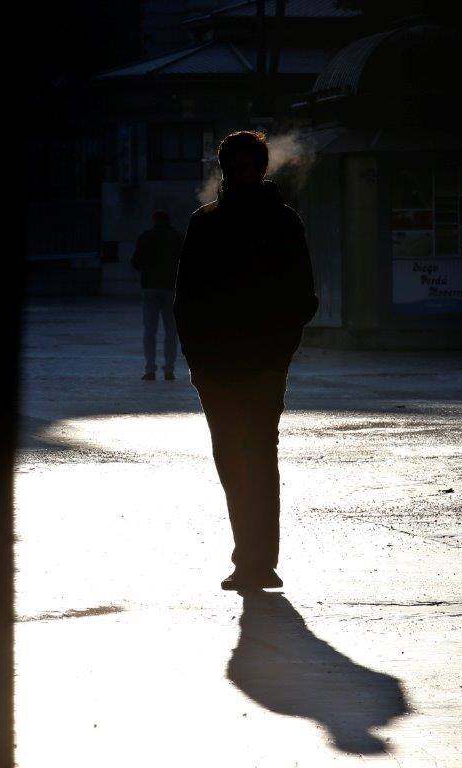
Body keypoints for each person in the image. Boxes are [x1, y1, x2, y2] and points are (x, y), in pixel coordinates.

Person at [174, 131, 318, 591]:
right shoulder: (208, 223)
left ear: (260, 168)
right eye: (233, 166)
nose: (240, 175)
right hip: (219, 367)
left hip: (257, 365)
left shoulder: (279, 223)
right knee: (237, 463)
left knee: (253, 459)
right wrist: (198, 360)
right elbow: (186, 298)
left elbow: (302, 297)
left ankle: (256, 562)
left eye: (247, 166)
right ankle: (250, 560)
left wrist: (278, 356)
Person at [131, 210, 184, 380]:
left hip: (150, 287)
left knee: (150, 330)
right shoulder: (178, 237)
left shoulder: (146, 237)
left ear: (154, 220)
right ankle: (169, 369)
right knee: (171, 331)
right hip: (171, 288)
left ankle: (150, 369)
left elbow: (136, 262)